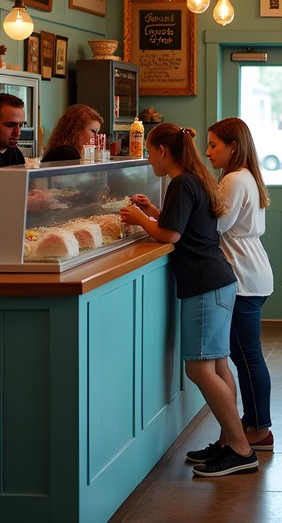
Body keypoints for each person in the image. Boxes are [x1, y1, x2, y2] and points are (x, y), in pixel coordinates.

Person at [119, 123, 257, 478]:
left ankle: (241, 449)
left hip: (203, 284)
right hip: (218, 280)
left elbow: (171, 233)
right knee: (218, 365)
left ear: (164, 151)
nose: (149, 159)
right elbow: (184, 223)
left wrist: (139, 218)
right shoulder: (196, 179)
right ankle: (230, 440)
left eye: (150, 151)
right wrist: (152, 210)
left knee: (198, 368)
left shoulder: (181, 183)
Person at [206, 118, 275, 452]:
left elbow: (215, 226)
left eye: (213, 145)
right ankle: (252, 424)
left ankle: (259, 429)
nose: (207, 153)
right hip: (251, 272)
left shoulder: (234, 180)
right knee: (246, 355)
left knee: (246, 357)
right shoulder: (242, 177)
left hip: (243, 277)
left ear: (233, 146)